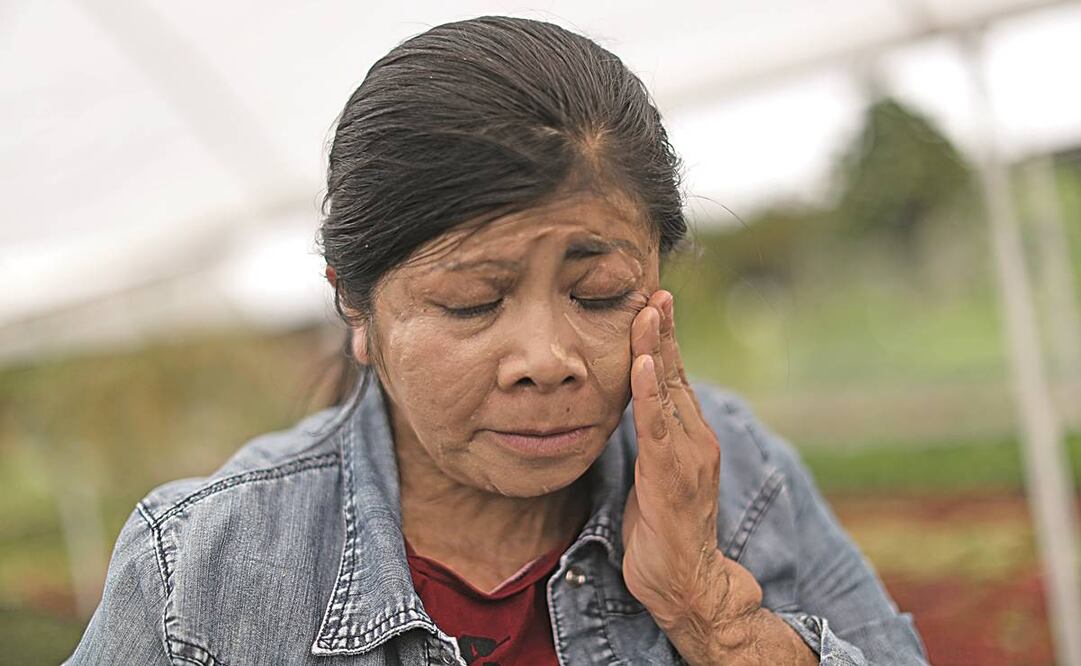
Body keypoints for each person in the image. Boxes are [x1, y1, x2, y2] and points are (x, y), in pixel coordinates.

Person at [67, 16, 928, 665]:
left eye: (600, 294)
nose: (546, 359)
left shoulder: (737, 475)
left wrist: (709, 608)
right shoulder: (207, 571)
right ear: (357, 312)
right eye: (474, 303)